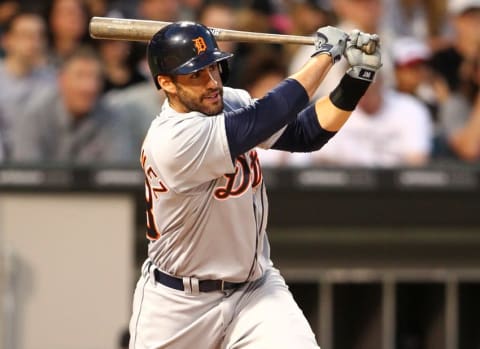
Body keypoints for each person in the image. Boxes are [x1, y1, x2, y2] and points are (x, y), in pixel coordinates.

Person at [128, 21, 381, 349]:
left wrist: (356, 78)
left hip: (254, 292)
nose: (212, 82)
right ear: (167, 83)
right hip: (178, 304)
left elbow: (305, 133)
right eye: (196, 75)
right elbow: (265, 115)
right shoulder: (170, 139)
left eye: (214, 68)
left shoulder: (227, 101)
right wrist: (323, 57)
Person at [10, 45, 135, 165]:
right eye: (80, 76)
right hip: (43, 187)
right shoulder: (34, 115)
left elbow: (118, 176)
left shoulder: (113, 117)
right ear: (61, 80)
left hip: (92, 187)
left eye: (96, 78)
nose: (90, 86)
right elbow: (26, 175)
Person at [311, 75, 433, 167]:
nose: (363, 95)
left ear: (380, 83)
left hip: (395, 190)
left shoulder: (410, 108)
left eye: (368, 88)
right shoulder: (330, 108)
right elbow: (319, 159)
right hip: (345, 191)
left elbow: (418, 160)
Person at [0, 11, 55, 161]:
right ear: (6, 40)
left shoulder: (54, 81)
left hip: (45, 168)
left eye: (40, 36)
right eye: (26, 35)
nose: (34, 42)